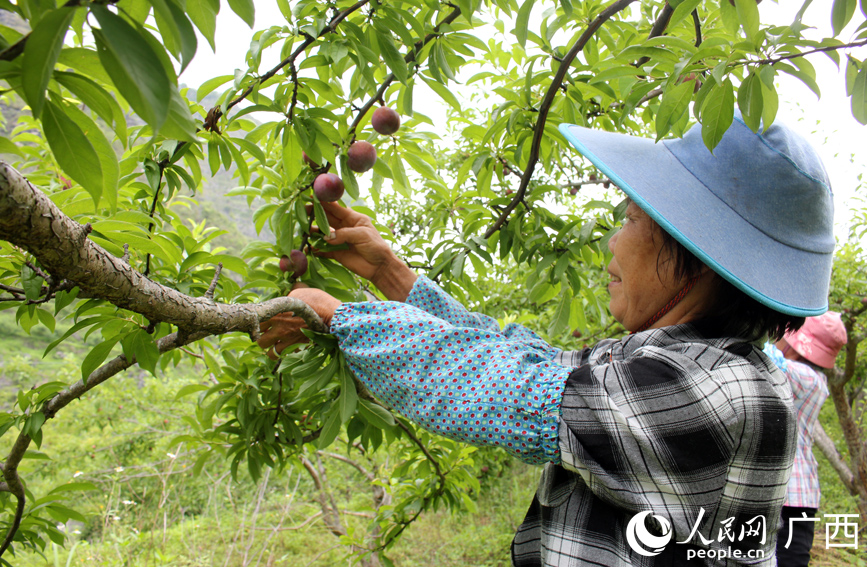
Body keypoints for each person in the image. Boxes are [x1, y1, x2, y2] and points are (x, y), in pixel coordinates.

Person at [258, 114, 836, 566]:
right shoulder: (686, 362)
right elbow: (527, 359)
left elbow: (498, 386)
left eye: (632, 219)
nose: (614, 241)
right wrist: (394, 278)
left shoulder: (714, 392)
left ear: (696, 257)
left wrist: (336, 314)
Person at [764, 312, 847, 566]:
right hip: (788, 496)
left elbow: (767, 359)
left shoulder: (808, 379)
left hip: (791, 497)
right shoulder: (803, 377)